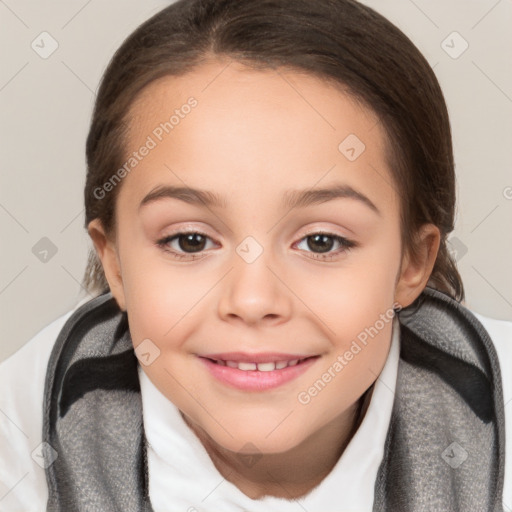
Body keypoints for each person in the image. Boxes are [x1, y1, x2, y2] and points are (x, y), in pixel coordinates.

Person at [1, 0, 511, 510]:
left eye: (321, 241)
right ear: (115, 262)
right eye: (190, 241)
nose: (252, 300)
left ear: (411, 263)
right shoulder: (23, 434)